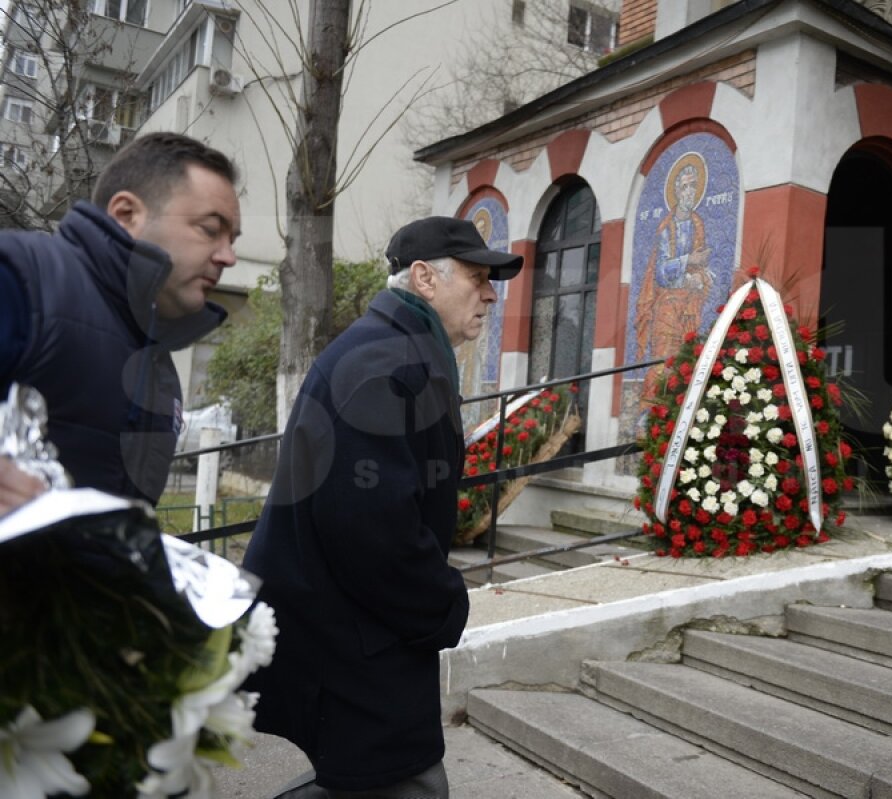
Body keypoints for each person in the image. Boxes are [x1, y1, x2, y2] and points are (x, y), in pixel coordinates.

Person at [243, 216, 522, 798]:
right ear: (424, 278)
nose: (491, 293)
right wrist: (443, 603)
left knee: (381, 779)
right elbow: (369, 527)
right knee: (405, 782)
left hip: (356, 630)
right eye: (478, 277)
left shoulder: (395, 348)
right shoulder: (386, 361)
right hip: (357, 635)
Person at [0, 132, 241, 513]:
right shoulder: (22, 278)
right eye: (210, 230)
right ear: (126, 214)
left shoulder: (160, 367)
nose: (228, 257)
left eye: (232, 239)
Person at [634, 158, 713, 410]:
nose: (690, 192)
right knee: (662, 364)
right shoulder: (666, 228)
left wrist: (700, 278)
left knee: (684, 364)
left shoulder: (698, 224)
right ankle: (650, 415)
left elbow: (703, 267)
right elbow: (660, 271)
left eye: (694, 187)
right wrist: (689, 260)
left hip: (689, 308)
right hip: (667, 307)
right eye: (686, 187)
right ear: (677, 191)